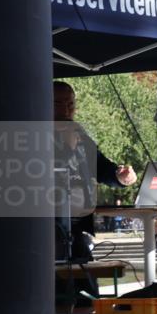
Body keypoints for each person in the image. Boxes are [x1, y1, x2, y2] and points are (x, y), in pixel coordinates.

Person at [52, 80, 137, 263]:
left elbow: (102, 167)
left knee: (86, 284)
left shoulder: (81, 137)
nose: (66, 110)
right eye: (58, 104)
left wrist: (120, 176)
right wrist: (67, 147)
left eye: (71, 104)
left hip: (78, 228)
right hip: (49, 229)